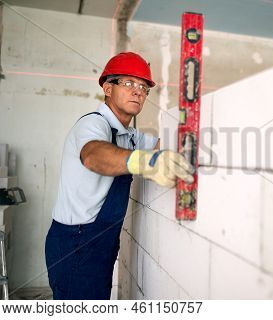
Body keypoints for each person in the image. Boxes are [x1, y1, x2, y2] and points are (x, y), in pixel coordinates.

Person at [44, 52, 194, 300]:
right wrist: (146, 161)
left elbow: (162, 144)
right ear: (107, 88)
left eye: (143, 87)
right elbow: (93, 155)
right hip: (75, 244)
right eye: (128, 83)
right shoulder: (93, 124)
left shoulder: (130, 135)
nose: (138, 91)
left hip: (102, 243)